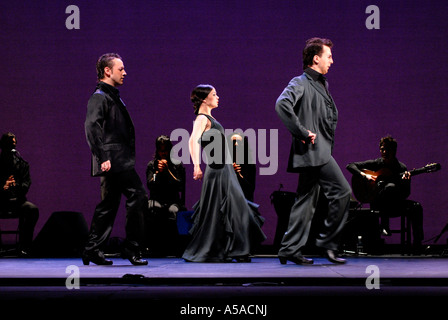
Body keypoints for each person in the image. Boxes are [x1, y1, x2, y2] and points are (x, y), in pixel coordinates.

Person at [275, 37, 351, 265]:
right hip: (315, 151)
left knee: (305, 201)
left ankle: (289, 248)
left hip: (318, 151)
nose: (332, 61)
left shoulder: (321, 84)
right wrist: (301, 131)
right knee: (342, 191)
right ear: (316, 58)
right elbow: (282, 104)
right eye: (328, 56)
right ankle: (328, 243)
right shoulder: (301, 82)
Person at [182, 84, 266, 263]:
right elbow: (192, 141)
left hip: (224, 168)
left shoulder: (211, 118)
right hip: (218, 170)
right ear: (205, 99)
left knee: (230, 209)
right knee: (233, 209)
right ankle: (235, 250)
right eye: (214, 94)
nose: (218, 97)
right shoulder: (202, 118)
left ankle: (231, 249)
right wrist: (196, 165)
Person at [83, 53, 148, 266]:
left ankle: (93, 249)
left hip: (115, 159)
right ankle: (132, 248)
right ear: (107, 71)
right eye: (120, 69)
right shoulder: (100, 96)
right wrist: (102, 156)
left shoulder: (111, 96)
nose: (125, 72)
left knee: (108, 204)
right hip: (114, 160)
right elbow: (92, 127)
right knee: (137, 196)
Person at [346, 135, 424, 253]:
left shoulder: (401, 168)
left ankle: (418, 244)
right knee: (388, 187)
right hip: (378, 203)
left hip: (395, 203)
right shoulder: (377, 163)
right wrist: (364, 175)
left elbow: (406, 193)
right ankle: (384, 225)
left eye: (387, 149)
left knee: (416, 206)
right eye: (382, 149)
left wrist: (405, 182)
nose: (384, 152)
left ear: (394, 151)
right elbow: (350, 166)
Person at [145, 135, 186, 256]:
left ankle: (173, 247)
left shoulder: (177, 165)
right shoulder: (152, 165)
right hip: (156, 199)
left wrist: (168, 171)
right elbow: (150, 184)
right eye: (160, 150)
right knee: (150, 208)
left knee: (173, 211)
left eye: (165, 150)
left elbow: (180, 185)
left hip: (173, 200)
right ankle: (151, 246)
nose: (163, 153)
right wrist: (157, 172)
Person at [0, 132, 39, 256]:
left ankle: (24, 247)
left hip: (17, 201)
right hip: (1, 202)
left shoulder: (22, 164)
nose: (12, 147)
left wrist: (14, 186)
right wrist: (4, 186)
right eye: (9, 144)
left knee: (32, 209)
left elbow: (26, 185)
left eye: (14, 144)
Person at [227, 133, 256, 202]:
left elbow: (250, 189)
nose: (236, 144)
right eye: (233, 142)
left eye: (239, 142)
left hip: (245, 203)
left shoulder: (250, 164)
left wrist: (238, 175)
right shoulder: (224, 164)